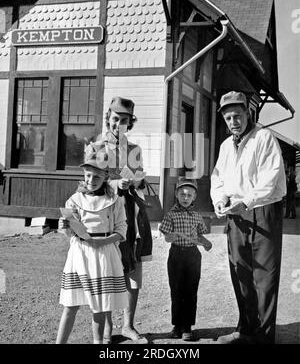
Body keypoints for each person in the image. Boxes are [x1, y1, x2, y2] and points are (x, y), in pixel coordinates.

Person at [210, 91, 286, 344]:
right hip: (236, 214)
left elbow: (270, 178)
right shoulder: (224, 146)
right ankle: (246, 330)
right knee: (240, 272)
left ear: (247, 113)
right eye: (229, 117)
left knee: (264, 277)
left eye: (238, 115)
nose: (234, 121)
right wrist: (220, 199)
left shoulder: (264, 138)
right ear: (224, 119)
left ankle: (264, 338)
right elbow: (217, 179)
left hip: (263, 211)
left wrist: (245, 202)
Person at [85, 96, 152, 342]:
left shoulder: (134, 150)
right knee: (108, 271)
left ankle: (129, 325)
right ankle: (107, 328)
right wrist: (113, 182)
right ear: (108, 119)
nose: (119, 124)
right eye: (115, 119)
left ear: (130, 123)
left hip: (131, 214)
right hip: (105, 216)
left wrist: (136, 180)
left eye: (124, 121)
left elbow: (140, 180)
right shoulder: (95, 148)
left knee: (132, 270)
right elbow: (88, 184)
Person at [56, 154, 128, 344]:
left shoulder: (115, 200)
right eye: (87, 175)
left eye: (96, 177)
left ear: (105, 177)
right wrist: (65, 227)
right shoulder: (74, 199)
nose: (91, 180)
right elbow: (71, 233)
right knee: (70, 305)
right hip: (80, 253)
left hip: (104, 253)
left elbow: (121, 230)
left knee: (101, 306)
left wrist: (101, 243)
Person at [159, 177, 212, 341]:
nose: (185, 198)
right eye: (182, 194)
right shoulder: (170, 215)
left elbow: (200, 235)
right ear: (176, 194)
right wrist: (170, 236)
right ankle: (177, 325)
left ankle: (187, 326)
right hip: (176, 255)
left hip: (193, 256)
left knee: (190, 291)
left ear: (194, 197)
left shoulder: (196, 215)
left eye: (189, 195)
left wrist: (206, 243)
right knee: (176, 290)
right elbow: (166, 238)